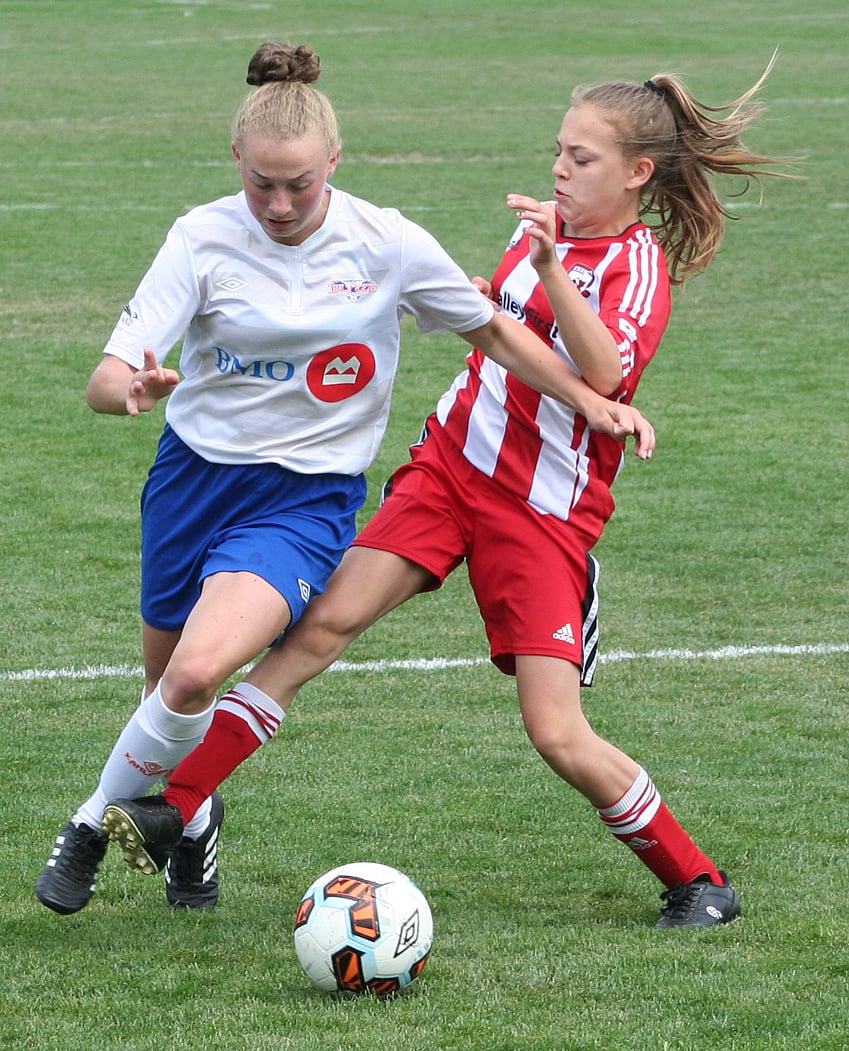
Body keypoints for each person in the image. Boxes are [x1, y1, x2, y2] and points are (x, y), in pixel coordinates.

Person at [99, 58, 790, 929]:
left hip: (539, 512)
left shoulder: (632, 261)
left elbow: (607, 372)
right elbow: (495, 330)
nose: (559, 170)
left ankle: (697, 880)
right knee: (316, 631)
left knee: (555, 731)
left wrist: (543, 271)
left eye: (580, 159)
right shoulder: (540, 232)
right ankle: (179, 805)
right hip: (446, 471)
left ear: (636, 174)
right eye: (558, 152)